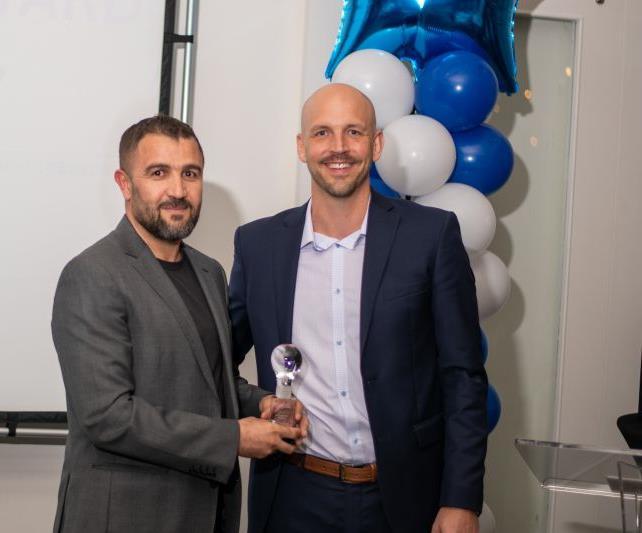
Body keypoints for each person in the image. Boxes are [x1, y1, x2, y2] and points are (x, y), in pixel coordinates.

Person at [229, 84, 488, 533]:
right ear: (302, 147)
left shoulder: (430, 236)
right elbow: (215, 362)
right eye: (322, 133)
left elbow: (462, 375)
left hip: (405, 497)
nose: (339, 147)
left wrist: (461, 499)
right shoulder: (258, 245)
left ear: (377, 144)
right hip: (293, 494)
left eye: (354, 131)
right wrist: (254, 407)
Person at [51, 115, 306, 533]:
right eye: (158, 173)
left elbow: (211, 379)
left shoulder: (209, 272)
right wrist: (234, 438)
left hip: (205, 513)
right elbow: (107, 416)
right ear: (124, 184)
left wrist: (262, 403)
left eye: (190, 173)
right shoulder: (92, 274)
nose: (178, 190)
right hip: (125, 517)